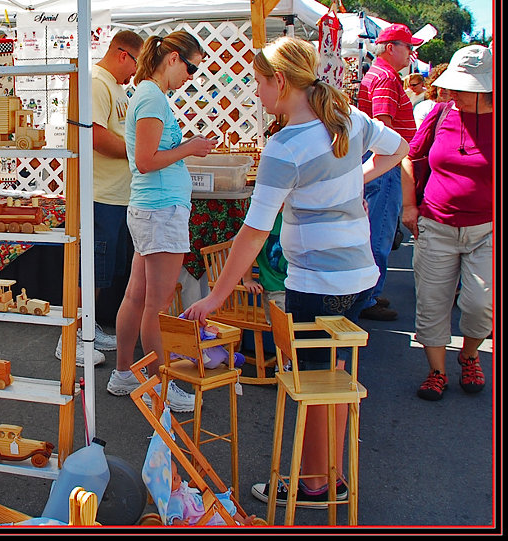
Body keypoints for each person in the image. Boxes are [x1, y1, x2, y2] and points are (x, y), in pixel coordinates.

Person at [186, 35, 408, 508]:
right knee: (333, 373)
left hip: (317, 281)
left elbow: (252, 234)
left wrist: (214, 297)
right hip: (357, 276)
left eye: (259, 83)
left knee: (311, 381)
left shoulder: (285, 147)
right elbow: (399, 147)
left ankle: (313, 483)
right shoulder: (348, 120)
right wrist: (356, 180)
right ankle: (328, 475)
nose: (257, 93)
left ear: (280, 81)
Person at [112, 31, 216, 413]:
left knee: (138, 297)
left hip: (151, 208)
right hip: (160, 210)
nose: (190, 76)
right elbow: (146, 159)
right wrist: (190, 147)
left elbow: (146, 158)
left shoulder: (146, 94)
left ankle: (126, 372)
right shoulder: (153, 97)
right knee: (155, 304)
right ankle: (157, 385)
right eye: (190, 67)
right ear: (172, 58)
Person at [401, 45, 493, 401]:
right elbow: (409, 158)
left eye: (463, 87)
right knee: (432, 302)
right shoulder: (440, 113)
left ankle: (469, 355)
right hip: (435, 225)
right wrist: (409, 206)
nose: (453, 92)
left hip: (486, 228)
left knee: (480, 303)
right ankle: (436, 370)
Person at [55, 30, 144, 370]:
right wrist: (139, 151)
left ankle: (86, 327)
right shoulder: (96, 82)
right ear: (123, 54)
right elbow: (94, 135)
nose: (135, 73)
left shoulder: (112, 85)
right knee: (88, 271)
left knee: (102, 270)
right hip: (98, 194)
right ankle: (71, 338)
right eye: (135, 63)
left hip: (113, 194)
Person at [356, 23, 422, 321]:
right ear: (392, 47)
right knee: (379, 231)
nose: (412, 53)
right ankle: (367, 297)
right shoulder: (384, 78)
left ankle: (369, 292)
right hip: (385, 163)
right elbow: (384, 127)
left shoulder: (381, 75)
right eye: (408, 47)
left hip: (383, 161)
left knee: (378, 230)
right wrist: (395, 159)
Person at [412, 62, 449, 127]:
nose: (444, 89)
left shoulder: (459, 110)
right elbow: (421, 131)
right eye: (441, 84)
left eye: (448, 85)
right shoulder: (424, 107)